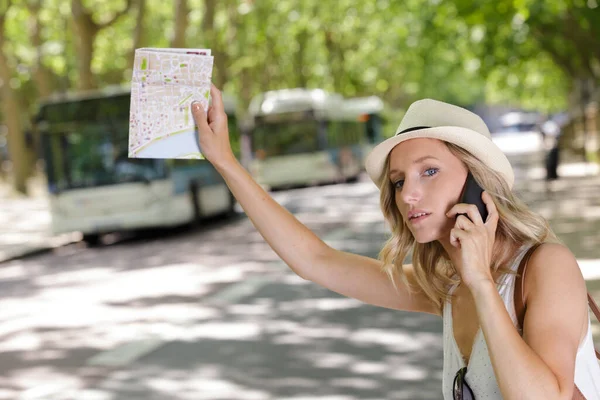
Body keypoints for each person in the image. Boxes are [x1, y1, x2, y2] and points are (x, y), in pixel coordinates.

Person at [190, 85, 600, 399]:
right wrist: (224, 160)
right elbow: (315, 260)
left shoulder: (546, 267)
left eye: (430, 172)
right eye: (400, 181)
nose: (408, 195)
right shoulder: (445, 287)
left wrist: (481, 283)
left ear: (479, 182)